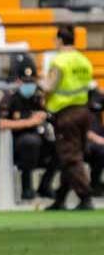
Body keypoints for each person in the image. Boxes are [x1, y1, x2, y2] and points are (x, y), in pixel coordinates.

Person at [41, 25, 95, 210]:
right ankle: (61, 197)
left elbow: (49, 87)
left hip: (66, 113)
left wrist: (43, 96)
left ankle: (85, 195)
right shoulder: (84, 60)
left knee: (69, 155)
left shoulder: (59, 61)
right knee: (68, 153)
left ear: (59, 40)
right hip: (84, 111)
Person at [0, 66, 57, 201]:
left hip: (41, 137)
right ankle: (26, 186)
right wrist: (29, 122)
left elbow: (51, 115)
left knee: (61, 146)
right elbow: (0, 123)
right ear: (18, 81)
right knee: (30, 142)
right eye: (25, 82)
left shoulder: (40, 96)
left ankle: (45, 185)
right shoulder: (10, 98)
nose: (29, 85)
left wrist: (45, 113)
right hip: (18, 140)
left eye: (31, 81)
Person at [87, 90, 104, 196]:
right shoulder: (72, 98)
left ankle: (95, 183)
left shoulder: (95, 95)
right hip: (80, 138)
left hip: (98, 137)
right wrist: (94, 138)